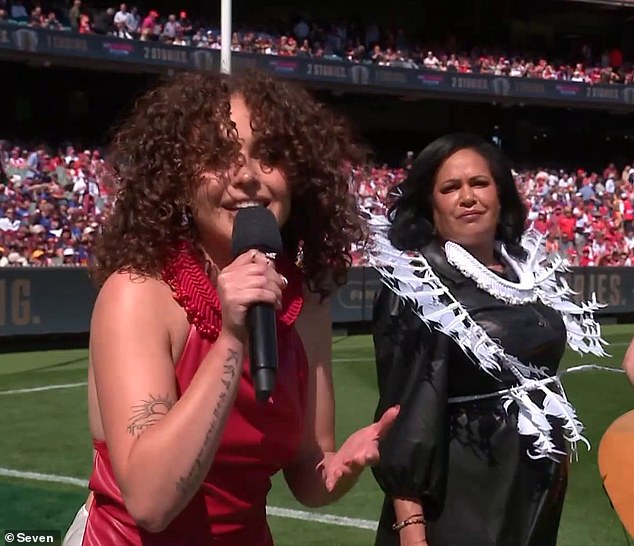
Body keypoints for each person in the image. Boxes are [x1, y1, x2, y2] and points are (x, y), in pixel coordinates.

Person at [63, 69, 399, 546]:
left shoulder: (306, 308)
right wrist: (232, 339)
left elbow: (309, 471)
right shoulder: (138, 293)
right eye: (218, 156)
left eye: (270, 157)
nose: (246, 176)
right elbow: (150, 502)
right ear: (178, 179)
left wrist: (346, 463)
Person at [363, 133, 607, 546]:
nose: (467, 197)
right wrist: (411, 530)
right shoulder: (419, 289)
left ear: (500, 193)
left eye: (479, 183)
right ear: (431, 205)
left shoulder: (526, 272)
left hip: (532, 488)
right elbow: (403, 420)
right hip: (464, 498)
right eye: (450, 188)